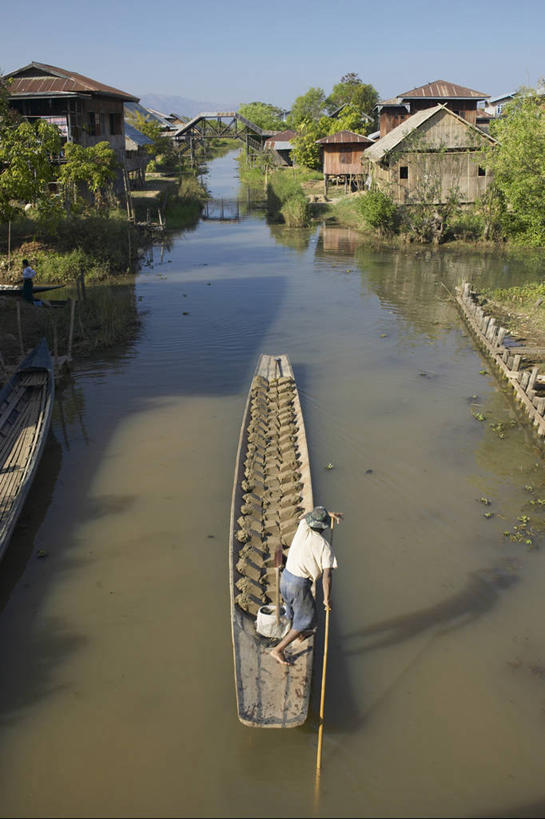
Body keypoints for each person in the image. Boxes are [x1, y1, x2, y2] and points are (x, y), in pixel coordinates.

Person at [270, 505, 343, 666]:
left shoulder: (303, 527)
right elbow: (327, 576)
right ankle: (278, 649)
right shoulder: (325, 547)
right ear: (323, 527)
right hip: (298, 585)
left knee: (293, 610)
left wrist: (327, 513)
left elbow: (306, 515)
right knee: (307, 618)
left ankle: (300, 635)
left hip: (286, 577)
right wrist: (326, 599)